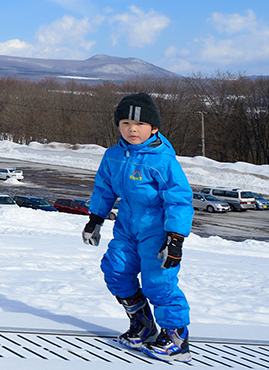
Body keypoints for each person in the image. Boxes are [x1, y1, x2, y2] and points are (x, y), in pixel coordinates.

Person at [82, 93, 194, 362]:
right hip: (126, 228)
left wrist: (175, 238)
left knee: (159, 283)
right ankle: (142, 325)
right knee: (115, 270)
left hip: (157, 232)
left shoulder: (163, 161)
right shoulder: (113, 156)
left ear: (154, 128)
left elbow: (179, 200)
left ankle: (177, 337)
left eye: (140, 125)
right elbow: (104, 189)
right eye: (125, 123)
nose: (132, 130)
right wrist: (95, 219)